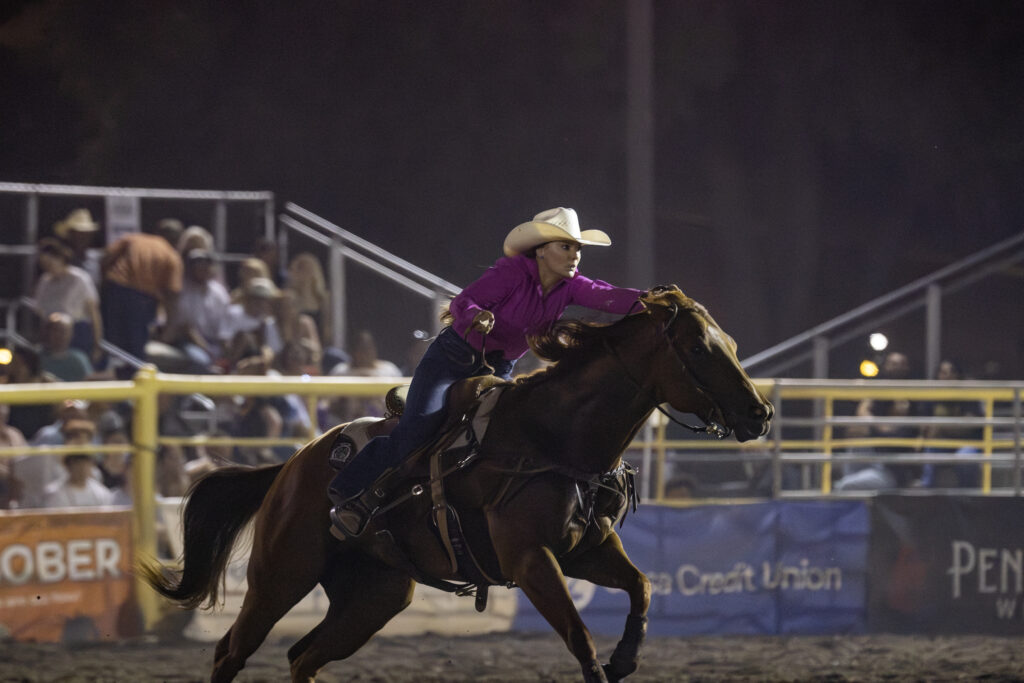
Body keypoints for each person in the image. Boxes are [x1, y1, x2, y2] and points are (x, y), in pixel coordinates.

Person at [328, 207, 644, 536]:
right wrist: (476, 316)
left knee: (501, 435)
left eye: (577, 248)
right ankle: (350, 491)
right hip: (452, 361)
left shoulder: (572, 286)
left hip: (496, 368)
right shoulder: (511, 272)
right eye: (566, 246)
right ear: (541, 250)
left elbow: (607, 296)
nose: (575, 255)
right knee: (417, 429)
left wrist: (653, 301)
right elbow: (463, 303)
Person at [834, 350, 919, 491]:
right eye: (892, 364)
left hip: (889, 471)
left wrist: (873, 426)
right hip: (867, 463)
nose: (896, 368)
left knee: (843, 487)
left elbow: (892, 433)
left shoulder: (914, 400)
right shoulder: (878, 392)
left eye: (900, 364)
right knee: (857, 441)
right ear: (885, 367)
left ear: (907, 368)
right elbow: (855, 428)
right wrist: (877, 425)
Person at [100, 226, 184, 366]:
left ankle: (104, 377)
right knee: (135, 347)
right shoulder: (171, 255)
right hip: (142, 299)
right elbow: (172, 294)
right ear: (177, 242)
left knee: (109, 341)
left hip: (115, 289)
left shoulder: (133, 239)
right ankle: (132, 379)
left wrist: (103, 287)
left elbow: (106, 258)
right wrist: (170, 329)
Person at [34, 237, 103, 362]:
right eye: (43, 265)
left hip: (77, 333)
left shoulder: (79, 278)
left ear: (60, 259)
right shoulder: (45, 281)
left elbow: (93, 312)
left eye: (49, 263)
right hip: (51, 334)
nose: (47, 268)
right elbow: (40, 312)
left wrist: (97, 343)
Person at [162, 248, 232, 372]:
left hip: (215, 342)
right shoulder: (182, 291)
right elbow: (187, 328)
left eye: (205, 264)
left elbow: (225, 328)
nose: (202, 268)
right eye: (197, 264)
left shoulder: (219, 292)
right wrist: (209, 352)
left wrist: (227, 354)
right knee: (201, 360)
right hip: (189, 341)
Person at [326, 330, 403, 422]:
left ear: (374, 349)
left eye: (368, 348)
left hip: (384, 424)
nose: (365, 354)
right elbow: (327, 405)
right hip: (348, 425)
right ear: (352, 351)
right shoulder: (341, 372)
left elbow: (402, 403)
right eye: (360, 349)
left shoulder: (390, 370)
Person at [43, 418, 114, 508]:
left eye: (86, 461)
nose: (81, 467)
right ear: (68, 465)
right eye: (76, 461)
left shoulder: (102, 494)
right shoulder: (54, 493)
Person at [285, 253, 331, 339]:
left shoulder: (324, 299)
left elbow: (328, 330)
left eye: (308, 268)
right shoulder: (289, 297)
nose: (305, 271)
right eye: (300, 267)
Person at [53, 208, 102, 285]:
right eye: (79, 234)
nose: (83, 238)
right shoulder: (62, 259)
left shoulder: (98, 258)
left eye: (86, 234)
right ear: (70, 235)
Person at [40, 312, 93, 381]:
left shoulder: (79, 358)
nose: (59, 335)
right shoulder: (37, 358)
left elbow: (89, 379)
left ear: (71, 334)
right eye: (56, 330)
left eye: (64, 331)